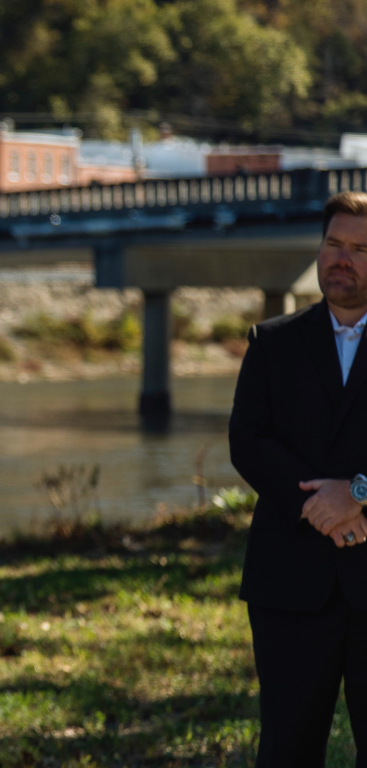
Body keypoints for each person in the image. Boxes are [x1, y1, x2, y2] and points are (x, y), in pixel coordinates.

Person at [231, 190, 367, 765]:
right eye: (333, 244)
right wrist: (319, 507)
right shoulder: (273, 342)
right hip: (289, 581)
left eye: (361, 249)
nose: (343, 259)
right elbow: (248, 441)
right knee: (286, 750)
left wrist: (358, 495)